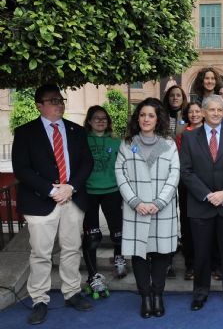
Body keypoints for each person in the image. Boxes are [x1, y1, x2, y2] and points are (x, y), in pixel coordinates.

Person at [12, 84, 94, 325]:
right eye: (53, 100)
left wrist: (71, 187)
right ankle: (39, 299)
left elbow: (86, 164)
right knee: (41, 253)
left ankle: (72, 292)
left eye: (61, 99)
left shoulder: (76, 131)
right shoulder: (26, 132)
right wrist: (50, 190)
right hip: (40, 202)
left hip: (72, 198)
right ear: (40, 105)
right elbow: (22, 169)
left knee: (72, 248)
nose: (59, 104)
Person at [179, 95, 223, 311]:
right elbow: (186, 172)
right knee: (201, 253)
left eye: (220, 109)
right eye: (212, 110)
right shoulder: (189, 138)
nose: (216, 113)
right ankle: (200, 293)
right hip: (201, 205)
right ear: (203, 112)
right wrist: (208, 194)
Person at [115, 98, 179, 318]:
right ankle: (145, 297)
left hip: (162, 209)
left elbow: (174, 174)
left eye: (151, 115)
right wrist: (135, 202)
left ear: (158, 118)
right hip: (136, 209)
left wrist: (159, 202)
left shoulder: (168, 144)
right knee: (139, 255)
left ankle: (158, 295)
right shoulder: (127, 143)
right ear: (137, 117)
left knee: (161, 254)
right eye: (142, 115)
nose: (146, 119)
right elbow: (120, 174)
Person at [82, 106, 125, 300]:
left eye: (104, 118)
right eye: (96, 118)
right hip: (89, 192)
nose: (101, 121)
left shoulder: (117, 142)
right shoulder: (81, 141)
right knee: (92, 237)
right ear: (89, 121)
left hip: (112, 191)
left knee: (118, 232)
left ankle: (119, 258)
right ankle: (93, 276)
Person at [175, 101, 205, 280]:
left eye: (197, 111)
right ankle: (191, 265)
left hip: (208, 183)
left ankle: (211, 264)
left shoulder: (210, 130)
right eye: (191, 112)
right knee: (188, 225)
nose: (194, 114)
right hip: (187, 183)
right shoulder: (182, 134)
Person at [162, 85, 188, 279]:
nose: (175, 98)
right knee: (169, 211)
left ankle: (187, 247)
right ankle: (168, 255)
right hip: (165, 170)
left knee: (186, 211)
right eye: (171, 95)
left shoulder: (188, 115)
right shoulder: (160, 116)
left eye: (178, 95)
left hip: (185, 168)